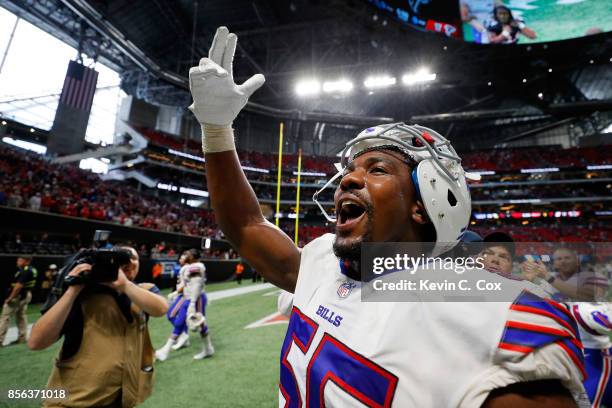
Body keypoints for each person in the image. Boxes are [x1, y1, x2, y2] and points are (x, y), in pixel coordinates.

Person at [189, 26, 585, 406]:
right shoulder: (325, 260)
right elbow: (245, 226)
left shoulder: (487, 319)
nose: (349, 180)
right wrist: (217, 129)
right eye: (349, 170)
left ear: (425, 202)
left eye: (376, 169)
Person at [28, 246, 168, 407]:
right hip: (75, 401)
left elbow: (161, 308)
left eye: (134, 258)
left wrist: (125, 286)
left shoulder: (144, 290)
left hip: (122, 396)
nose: (129, 262)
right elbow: (36, 342)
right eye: (122, 258)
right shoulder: (83, 294)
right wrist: (73, 290)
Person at [522, 246, 611, 407]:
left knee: (587, 403)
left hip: (596, 354)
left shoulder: (590, 276)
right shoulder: (550, 280)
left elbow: (585, 294)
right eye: (558, 259)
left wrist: (547, 277)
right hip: (568, 350)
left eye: (566, 258)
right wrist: (528, 278)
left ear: (577, 261)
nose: (562, 261)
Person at [156, 249, 214, 361]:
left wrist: (192, 303)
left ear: (193, 257)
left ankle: (208, 348)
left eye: (188, 254)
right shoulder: (192, 266)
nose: (186, 255)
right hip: (188, 298)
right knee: (179, 322)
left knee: (199, 324)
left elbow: (196, 285)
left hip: (195, 298)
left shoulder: (196, 266)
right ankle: (165, 351)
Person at [0, 256, 38, 345]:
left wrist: (10, 298)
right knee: (21, 316)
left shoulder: (25, 271)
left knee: (5, 317)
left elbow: (18, 286)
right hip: (26, 295)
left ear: (27, 261)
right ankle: (22, 338)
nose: (17, 261)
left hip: (19, 295)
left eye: (20, 260)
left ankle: (0, 340)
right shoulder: (33, 269)